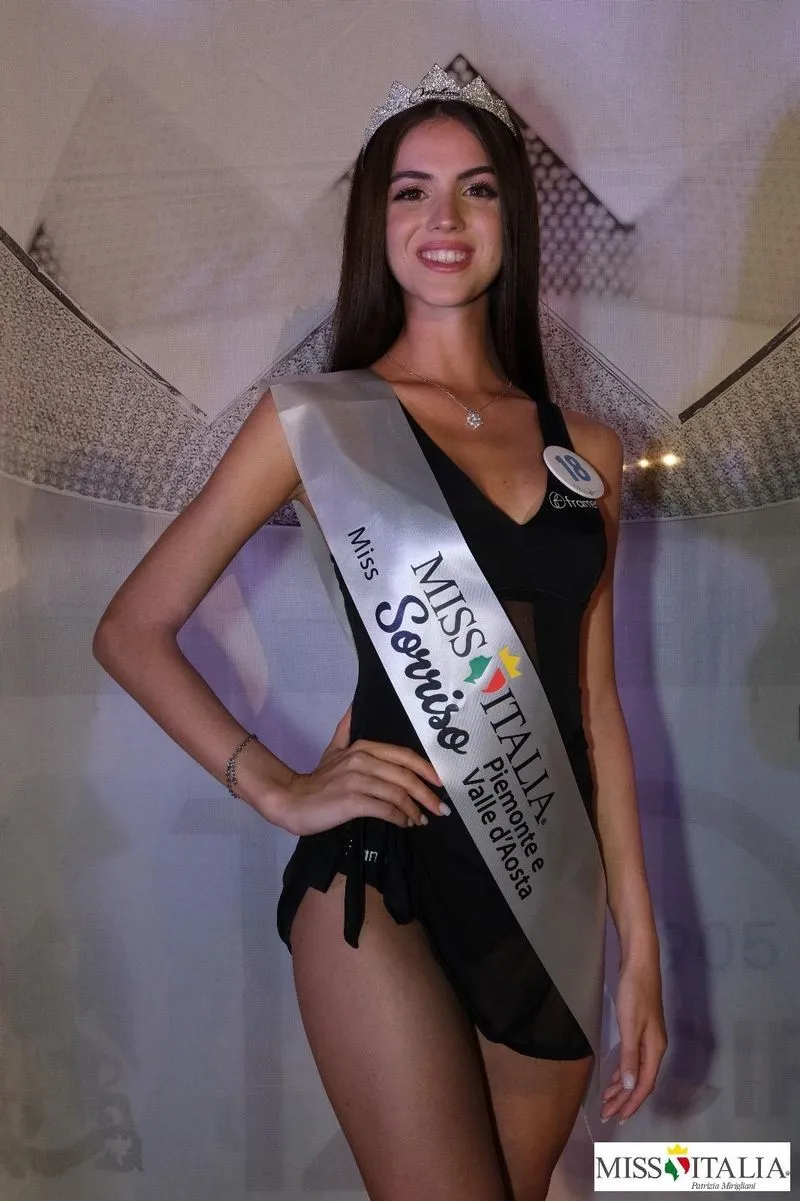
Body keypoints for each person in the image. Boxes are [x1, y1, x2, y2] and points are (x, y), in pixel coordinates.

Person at [93, 65, 667, 1201]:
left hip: (544, 890)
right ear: (376, 221)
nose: (444, 218)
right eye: (412, 191)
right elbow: (132, 629)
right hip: (380, 872)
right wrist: (275, 785)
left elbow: (594, 711)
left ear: (511, 217)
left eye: (476, 189)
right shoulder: (316, 420)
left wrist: (639, 948)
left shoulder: (590, 450)